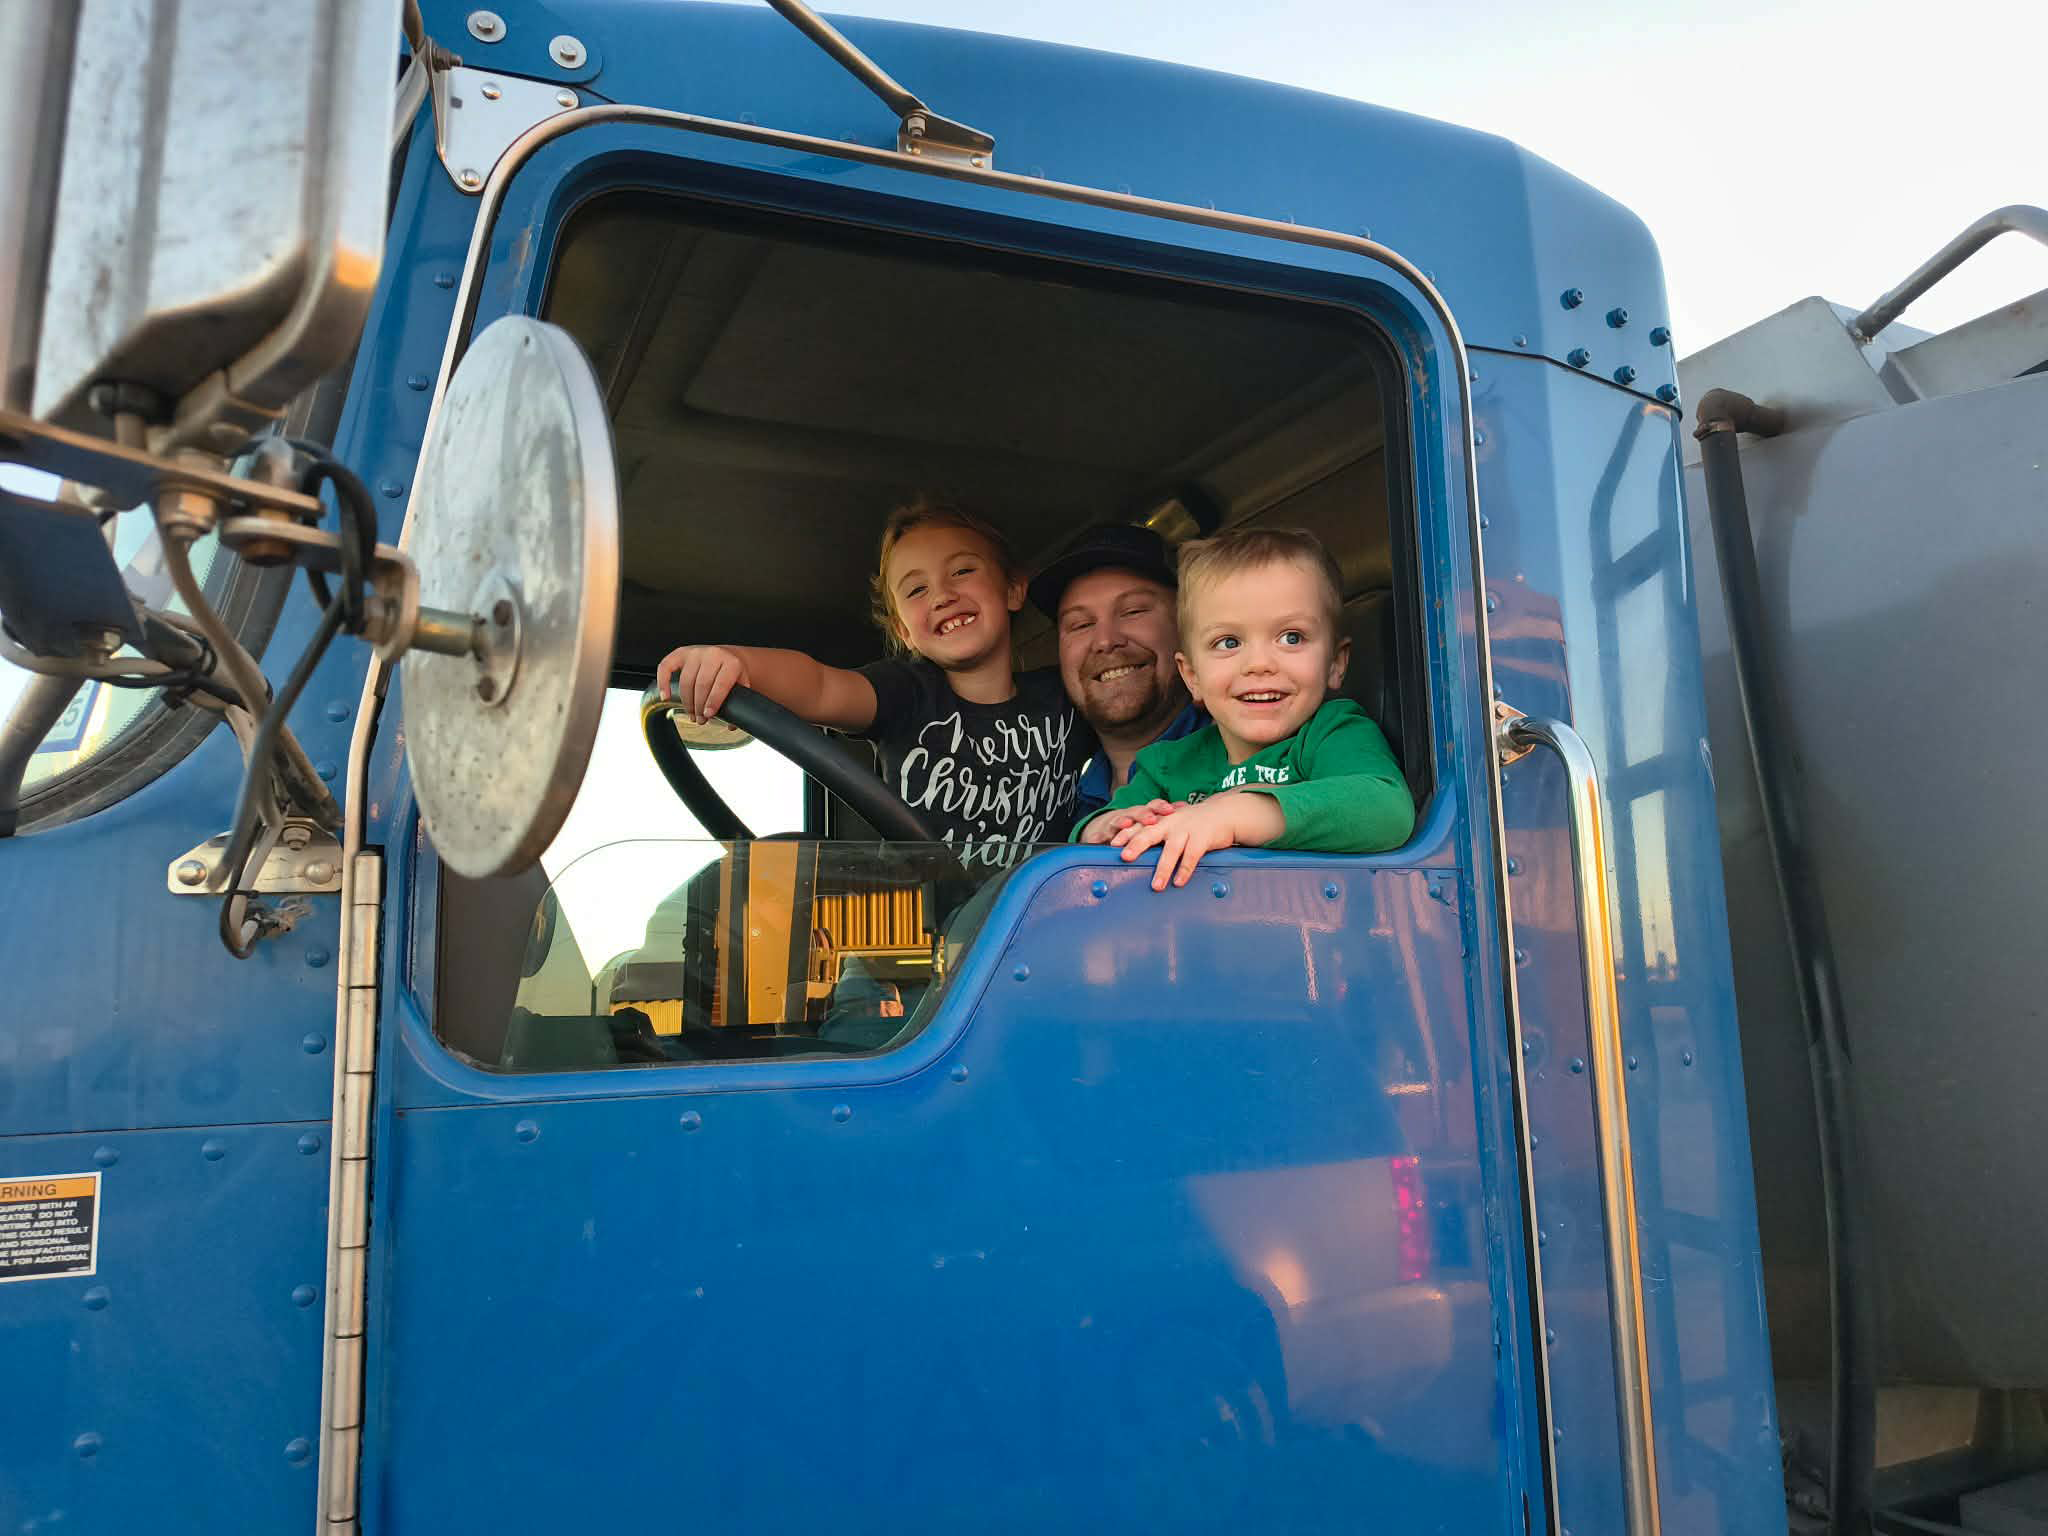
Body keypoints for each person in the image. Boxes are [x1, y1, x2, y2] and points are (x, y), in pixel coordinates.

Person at [655, 497, 1090, 869]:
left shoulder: (1063, 699)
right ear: (903, 631)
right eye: (916, 590)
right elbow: (820, 685)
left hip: (1031, 934)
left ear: (1014, 590)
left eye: (961, 572)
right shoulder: (906, 692)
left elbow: (1134, 720)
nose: (941, 595)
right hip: (909, 947)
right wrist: (739, 662)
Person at [1072, 527, 1413, 889]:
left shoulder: (1332, 733)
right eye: (1229, 642)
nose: (1259, 664)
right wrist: (1109, 826)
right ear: (1192, 677)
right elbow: (1097, 830)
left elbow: (1387, 809)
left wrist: (1237, 814)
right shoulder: (1167, 765)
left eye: (1291, 637)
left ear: (1335, 663)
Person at [1028, 522, 1205, 821]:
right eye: (1080, 625)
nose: (1106, 641)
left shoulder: (1252, 755)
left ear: (1186, 625)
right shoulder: (1058, 804)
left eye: (1133, 611)